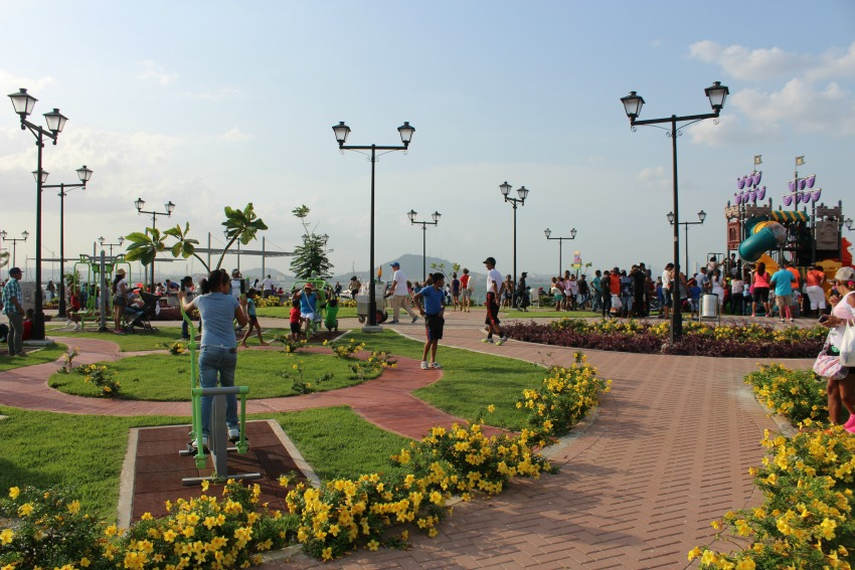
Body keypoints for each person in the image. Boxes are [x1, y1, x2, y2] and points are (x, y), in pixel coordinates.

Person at [181, 268, 248, 447]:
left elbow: (186, 308)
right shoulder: (231, 301)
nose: (228, 287)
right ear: (221, 285)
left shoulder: (201, 299)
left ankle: (202, 436)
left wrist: (182, 297)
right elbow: (243, 322)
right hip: (229, 350)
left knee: (206, 393)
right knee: (229, 388)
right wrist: (243, 305)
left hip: (208, 349)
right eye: (227, 284)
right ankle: (233, 428)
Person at [817, 266, 855, 431]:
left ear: (838, 282)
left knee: (846, 395)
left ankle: (851, 418)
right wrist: (836, 307)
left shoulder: (852, 297)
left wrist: (838, 321)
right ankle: (834, 425)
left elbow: (850, 319)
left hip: (847, 350)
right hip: (837, 347)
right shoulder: (845, 298)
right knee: (832, 388)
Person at [413, 272, 446, 370]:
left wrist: (442, 311)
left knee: (436, 339)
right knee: (430, 339)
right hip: (430, 317)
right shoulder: (427, 290)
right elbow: (415, 297)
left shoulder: (440, 292)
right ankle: (423, 361)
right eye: (442, 280)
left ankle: (433, 361)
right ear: (438, 281)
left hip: (438, 318)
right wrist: (421, 310)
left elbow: (443, 303)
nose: (443, 282)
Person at [482, 257, 508, 345]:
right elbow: (503, 285)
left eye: (487, 264)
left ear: (490, 263)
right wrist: (499, 296)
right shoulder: (498, 273)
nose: (486, 266)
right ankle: (489, 337)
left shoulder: (491, 272)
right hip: (495, 295)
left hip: (491, 295)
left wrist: (496, 296)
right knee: (489, 317)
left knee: (492, 317)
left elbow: (494, 284)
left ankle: (502, 336)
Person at [1, 267, 26, 356]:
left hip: (12, 310)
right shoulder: (12, 283)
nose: (21, 274)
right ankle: (18, 350)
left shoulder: (14, 283)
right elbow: (13, 298)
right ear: (14, 274)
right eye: (19, 273)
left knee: (12, 330)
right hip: (13, 310)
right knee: (19, 329)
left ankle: (11, 351)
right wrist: (20, 309)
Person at [177, 276, 195, 340]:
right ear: (186, 282)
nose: (191, 283)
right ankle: (184, 334)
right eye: (190, 281)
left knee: (187, 321)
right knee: (186, 321)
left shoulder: (187, 288)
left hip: (188, 306)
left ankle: (186, 333)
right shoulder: (184, 288)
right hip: (185, 307)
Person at [112, 268, 129, 334]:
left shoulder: (115, 281)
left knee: (116, 314)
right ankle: (118, 329)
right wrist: (126, 300)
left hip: (115, 297)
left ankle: (116, 328)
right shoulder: (122, 282)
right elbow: (123, 292)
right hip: (120, 299)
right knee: (119, 315)